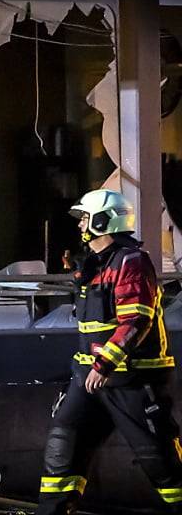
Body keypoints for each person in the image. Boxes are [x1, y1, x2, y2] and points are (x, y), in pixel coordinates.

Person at [37, 189, 182, 514]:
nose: (80, 227)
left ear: (103, 222)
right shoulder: (94, 267)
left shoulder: (131, 262)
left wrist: (104, 365)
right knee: (62, 450)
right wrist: (90, 369)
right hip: (88, 380)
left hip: (132, 381)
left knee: (159, 461)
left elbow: (135, 320)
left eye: (85, 219)